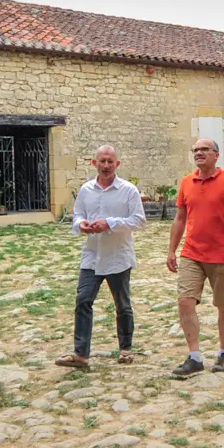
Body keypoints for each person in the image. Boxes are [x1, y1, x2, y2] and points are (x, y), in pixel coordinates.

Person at [58, 145, 144, 369]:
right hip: (92, 255)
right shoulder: (86, 190)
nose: (106, 166)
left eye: (110, 162)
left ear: (118, 164)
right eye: (102, 161)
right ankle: (81, 354)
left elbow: (139, 220)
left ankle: (125, 348)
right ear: (94, 163)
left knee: (122, 305)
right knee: (83, 301)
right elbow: (77, 216)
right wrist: (81, 225)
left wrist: (110, 223)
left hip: (118, 256)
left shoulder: (128, 190)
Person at [167, 136, 224, 377]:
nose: (199, 153)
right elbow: (180, 218)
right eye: (195, 150)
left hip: (221, 256)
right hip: (191, 253)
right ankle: (194, 357)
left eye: (204, 149)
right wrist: (172, 250)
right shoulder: (186, 182)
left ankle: (223, 353)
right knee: (185, 301)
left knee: (223, 304)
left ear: (216, 155)